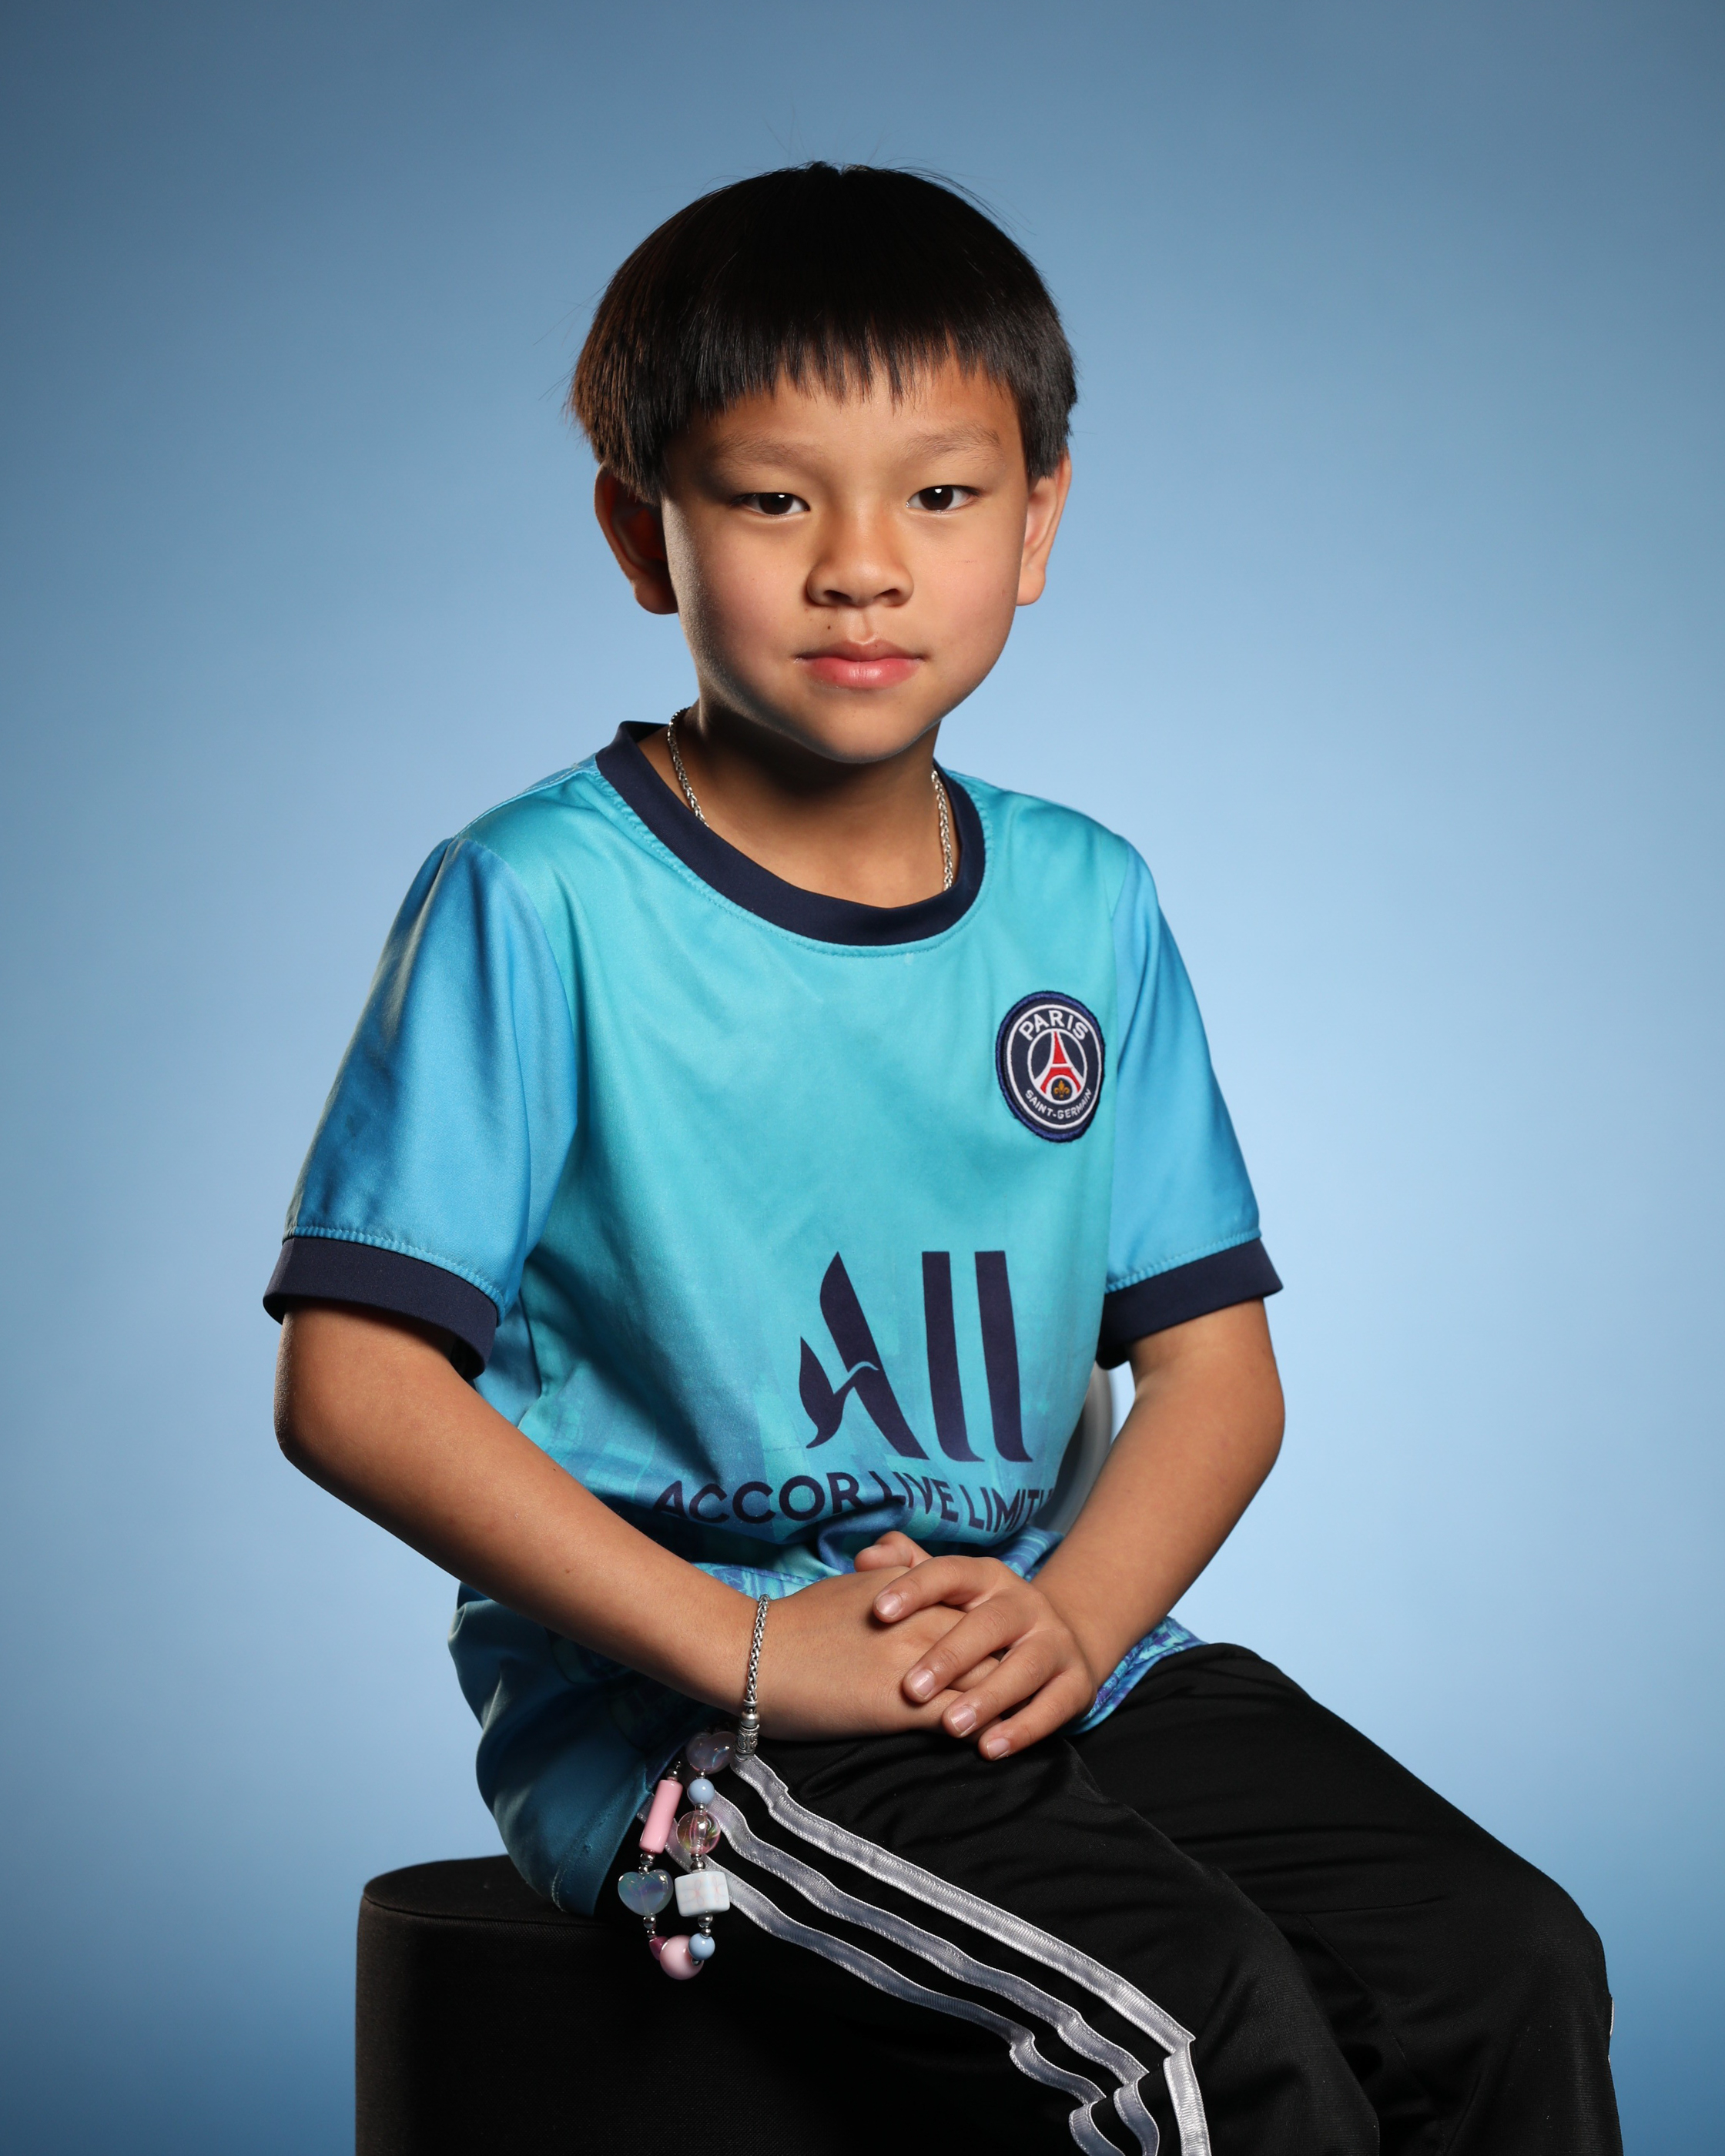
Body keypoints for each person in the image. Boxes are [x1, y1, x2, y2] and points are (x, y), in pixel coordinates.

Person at [266, 163, 1619, 2152]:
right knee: (1185, 2031)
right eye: (772, 499)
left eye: (941, 495)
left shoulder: (1086, 901)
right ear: (643, 535)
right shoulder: (538, 897)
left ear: (1038, 522)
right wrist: (748, 1649)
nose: (861, 569)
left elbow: (1218, 1378)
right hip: (703, 1722)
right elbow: (352, 1382)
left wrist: (1075, 1621)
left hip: (1056, 1657)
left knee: (1503, 1963)